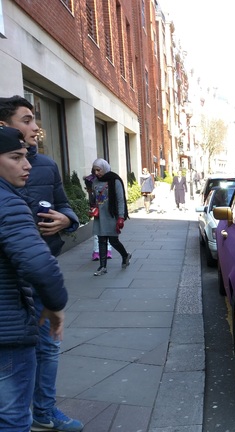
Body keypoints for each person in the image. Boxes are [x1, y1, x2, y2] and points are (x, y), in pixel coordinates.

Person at [0, 96, 83, 431]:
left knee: (47, 350)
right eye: (27, 119)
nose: (36, 127)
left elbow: (67, 206)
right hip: (24, 282)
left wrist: (67, 219)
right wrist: (56, 301)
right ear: (5, 127)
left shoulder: (46, 166)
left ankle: (44, 412)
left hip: (38, 278)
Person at [91, 158, 132, 276]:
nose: (97, 173)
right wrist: (93, 207)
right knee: (101, 240)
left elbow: (120, 200)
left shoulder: (115, 180)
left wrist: (120, 217)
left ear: (104, 168)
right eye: (95, 171)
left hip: (111, 215)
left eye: (98, 170)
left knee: (113, 241)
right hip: (100, 216)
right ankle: (102, 267)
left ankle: (125, 255)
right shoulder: (95, 181)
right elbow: (94, 198)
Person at [84, 172, 112, 260]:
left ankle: (97, 252)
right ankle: (107, 251)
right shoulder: (107, 182)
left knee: (98, 233)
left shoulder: (91, 181)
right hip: (106, 211)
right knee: (107, 232)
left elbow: (92, 201)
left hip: (100, 211)